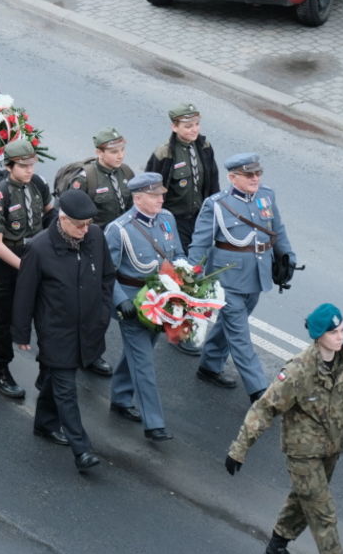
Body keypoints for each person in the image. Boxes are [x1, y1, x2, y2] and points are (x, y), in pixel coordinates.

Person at [225, 303, 343, 554]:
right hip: (302, 453)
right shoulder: (297, 371)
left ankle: (277, 546)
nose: (340, 336)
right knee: (322, 512)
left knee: (302, 501)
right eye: (334, 332)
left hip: (331, 451)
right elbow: (264, 409)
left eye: (342, 329)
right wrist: (239, 449)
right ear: (319, 336)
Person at [13, 189, 115, 473]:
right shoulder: (39, 247)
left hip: (89, 328)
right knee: (66, 388)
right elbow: (25, 295)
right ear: (62, 218)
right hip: (56, 331)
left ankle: (44, 423)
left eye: (88, 224)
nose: (85, 230)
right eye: (79, 225)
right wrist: (21, 334)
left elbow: (107, 275)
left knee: (55, 381)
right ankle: (81, 449)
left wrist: (103, 311)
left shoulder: (95, 236)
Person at [189, 153, 297, 402]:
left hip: (257, 275)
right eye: (249, 175)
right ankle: (260, 391)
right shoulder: (217, 204)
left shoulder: (266, 196)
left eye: (258, 173)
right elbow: (200, 243)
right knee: (239, 334)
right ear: (232, 177)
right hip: (227, 278)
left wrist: (287, 256)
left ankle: (209, 366)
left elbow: (276, 229)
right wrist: (190, 272)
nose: (255, 178)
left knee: (230, 323)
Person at [105, 172, 185, 442]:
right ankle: (154, 423)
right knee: (145, 362)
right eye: (154, 195)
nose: (161, 199)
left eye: (161, 194)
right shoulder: (119, 229)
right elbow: (107, 273)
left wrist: (186, 283)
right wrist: (120, 300)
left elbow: (178, 255)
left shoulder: (167, 219)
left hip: (162, 301)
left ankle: (120, 395)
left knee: (139, 353)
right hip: (134, 305)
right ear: (138, 198)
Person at [0, 138, 53, 400]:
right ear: (9, 166)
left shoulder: (37, 184)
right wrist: (25, 268)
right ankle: (0, 372)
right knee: (4, 321)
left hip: (34, 258)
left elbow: (50, 216)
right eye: (23, 166)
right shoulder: (0, 194)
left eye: (32, 165)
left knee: (46, 316)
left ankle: (46, 370)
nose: (29, 170)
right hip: (9, 264)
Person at [146, 103, 219, 254]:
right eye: (188, 126)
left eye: (197, 124)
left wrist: (214, 212)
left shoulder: (205, 147)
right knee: (182, 261)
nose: (194, 129)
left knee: (201, 257)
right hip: (174, 220)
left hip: (200, 217)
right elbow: (150, 189)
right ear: (174, 127)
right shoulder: (165, 154)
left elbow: (213, 182)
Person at [63, 127, 133, 229]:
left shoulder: (126, 172)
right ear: (99, 153)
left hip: (125, 233)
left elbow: (133, 204)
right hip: (99, 236)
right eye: (114, 152)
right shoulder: (86, 179)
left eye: (122, 150)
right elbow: (73, 214)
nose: (120, 156)